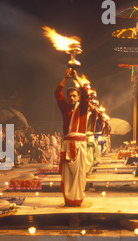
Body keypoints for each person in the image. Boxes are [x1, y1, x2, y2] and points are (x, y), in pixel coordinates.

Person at [55, 68, 91, 206]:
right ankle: (68, 200)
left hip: (79, 146)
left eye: (74, 96)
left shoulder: (82, 108)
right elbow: (57, 93)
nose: (71, 98)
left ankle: (77, 199)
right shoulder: (64, 108)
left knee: (79, 174)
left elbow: (86, 95)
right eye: (69, 96)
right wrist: (65, 78)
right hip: (67, 145)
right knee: (67, 175)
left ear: (78, 97)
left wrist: (76, 79)